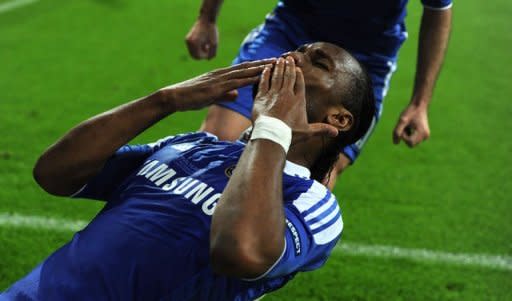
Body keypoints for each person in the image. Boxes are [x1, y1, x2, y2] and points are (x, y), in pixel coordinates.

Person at [1, 42, 374, 301]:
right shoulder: (194, 146)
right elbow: (54, 172)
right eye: (297, 49)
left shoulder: (313, 204)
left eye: (317, 62)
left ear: (338, 119)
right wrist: (166, 100)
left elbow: (238, 251)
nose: (292, 58)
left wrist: (272, 128)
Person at [186, 0, 452, 188]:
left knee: (318, 172)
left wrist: (420, 103)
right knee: (217, 139)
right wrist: (206, 18)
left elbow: (438, 10)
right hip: (292, 34)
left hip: (364, 57)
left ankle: (267, 262)